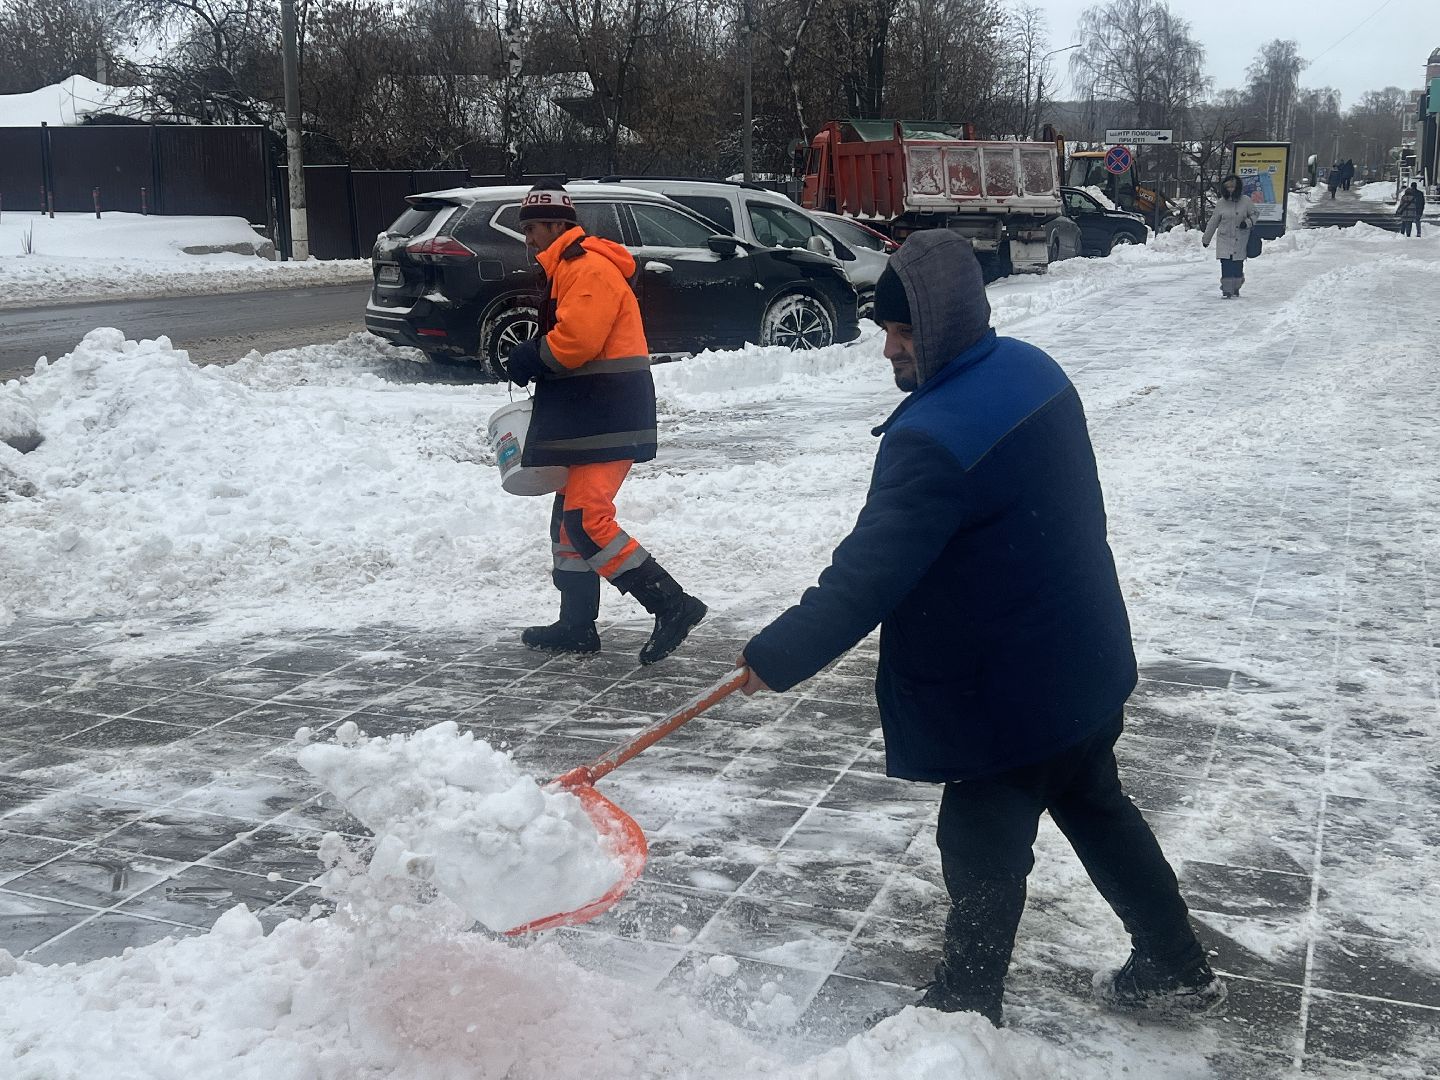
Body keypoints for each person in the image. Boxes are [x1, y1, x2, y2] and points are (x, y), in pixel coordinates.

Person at [735, 231, 1225, 1028]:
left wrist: (776, 655)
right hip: (1082, 660)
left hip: (1009, 694)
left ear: (941, 326)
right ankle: (1174, 963)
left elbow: (867, 575)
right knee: (1098, 806)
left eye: (901, 335)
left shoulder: (932, 438)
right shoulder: (1031, 368)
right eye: (885, 333)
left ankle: (963, 1010)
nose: (888, 351)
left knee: (980, 842)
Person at [502, 180, 706, 664]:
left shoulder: (586, 268)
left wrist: (533, 355)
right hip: (589, 411)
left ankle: (673, 604)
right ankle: (576, 626)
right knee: (567, 523)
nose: (527, 238)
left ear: (558, 225)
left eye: (532, 228)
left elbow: (578, 342)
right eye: (525, 229)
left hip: (608, 412)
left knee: (586, 519)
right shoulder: (564, 269)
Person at [1202, 175, 1260, 299]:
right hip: (1225, 239)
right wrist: (1206, 239)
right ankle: (1227, 290)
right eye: (1227, 187)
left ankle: (1236, 288)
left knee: (1237, 267)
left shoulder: (1246, 201)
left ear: (1237, 187)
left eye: (1232, 187)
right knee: (1226, 265)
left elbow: (1255, 214)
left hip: (1241, 239)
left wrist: (1248, 223)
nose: (1230, 190)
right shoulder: (1221, 203)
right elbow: (1213, 221)